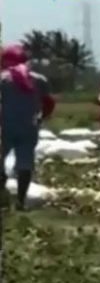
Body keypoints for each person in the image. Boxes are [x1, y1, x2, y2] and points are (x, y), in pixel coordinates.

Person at [0, 45, 56, 210]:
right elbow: (49, 102)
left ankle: (2, 196)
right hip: (29, 127)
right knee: (25, 164)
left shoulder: (3, 78)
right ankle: (20, 201)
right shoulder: (39, 79)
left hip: (5, 126)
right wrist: (41, 118)